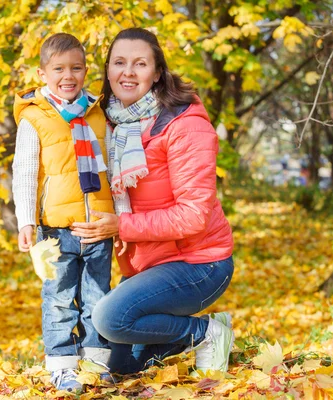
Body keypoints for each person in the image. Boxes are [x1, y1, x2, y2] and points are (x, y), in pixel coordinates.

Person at [70, 27, 235, 375]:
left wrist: (120, 226)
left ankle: (207, 332)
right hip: (149, 264)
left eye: (140, 63)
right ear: (108, 70)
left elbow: (193, 217)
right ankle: (174, 339)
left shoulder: (185, 125)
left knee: (109, 318)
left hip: (199, 264)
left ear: (157, 72)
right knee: (123, 368)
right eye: (119, 62)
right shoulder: (110, 124)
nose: (128, 72)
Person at [11, 33, 115, 391]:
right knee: (58, 298)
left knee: (98, 297)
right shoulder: (35, 118)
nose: (67, 75)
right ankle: (62, 365)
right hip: (56, 228)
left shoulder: (98, 113)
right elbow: (24, 172)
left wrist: (123, 221)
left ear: (86, 71)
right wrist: (26, 220)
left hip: (98, 226)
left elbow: (114, 172)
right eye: (58, 69)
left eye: (76, 68)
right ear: (42, 74)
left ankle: (96, 363)